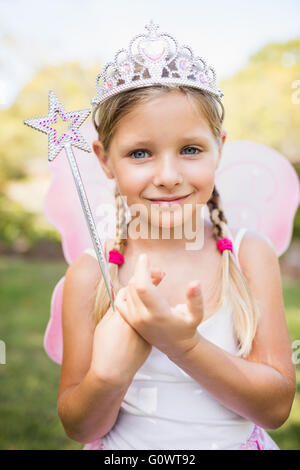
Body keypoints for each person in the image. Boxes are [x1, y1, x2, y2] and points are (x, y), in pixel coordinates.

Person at [56, 21, 296, 450]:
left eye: (190, 149)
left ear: (219, 148)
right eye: (140, 153)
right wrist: (108, 376)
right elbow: (80, 426)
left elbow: (276, 409)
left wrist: (184, 346)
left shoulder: (247, 256)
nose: (168, 176)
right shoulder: (91, 275)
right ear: (105, 159)